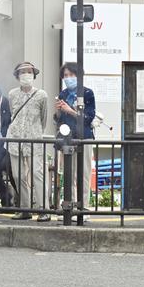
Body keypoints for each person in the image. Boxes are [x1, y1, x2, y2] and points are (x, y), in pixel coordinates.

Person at [7, 62, 50, 221]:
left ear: (34, 75)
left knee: (37, 174)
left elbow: (43, 118)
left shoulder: (42, 95)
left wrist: (36, 131)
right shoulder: (12, 94)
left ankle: (44, 209)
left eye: (29, 72)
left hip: (35, 139)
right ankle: (25, 209)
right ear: (17, 76)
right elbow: (13, 114)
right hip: (15, 139)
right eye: (22, 72)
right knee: (18, 176)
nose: (26, 75)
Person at [55, 62, 96, 220]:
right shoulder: (63, 94)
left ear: (79, 76)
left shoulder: (87, 93)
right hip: (68, 138)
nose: (68, 78)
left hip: (84, 137)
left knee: (83, 173)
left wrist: (70, 111)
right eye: (65, 75)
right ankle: (69, 207)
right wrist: (58, 111)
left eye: (71, 75)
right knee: (68, 174)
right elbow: (59, 119)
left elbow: (88, 117)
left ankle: (83, 208)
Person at [0, 83, 13, 207]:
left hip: (10, 147)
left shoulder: (8, 104)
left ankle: (20, 201)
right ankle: (6, 199)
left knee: (14, 174)